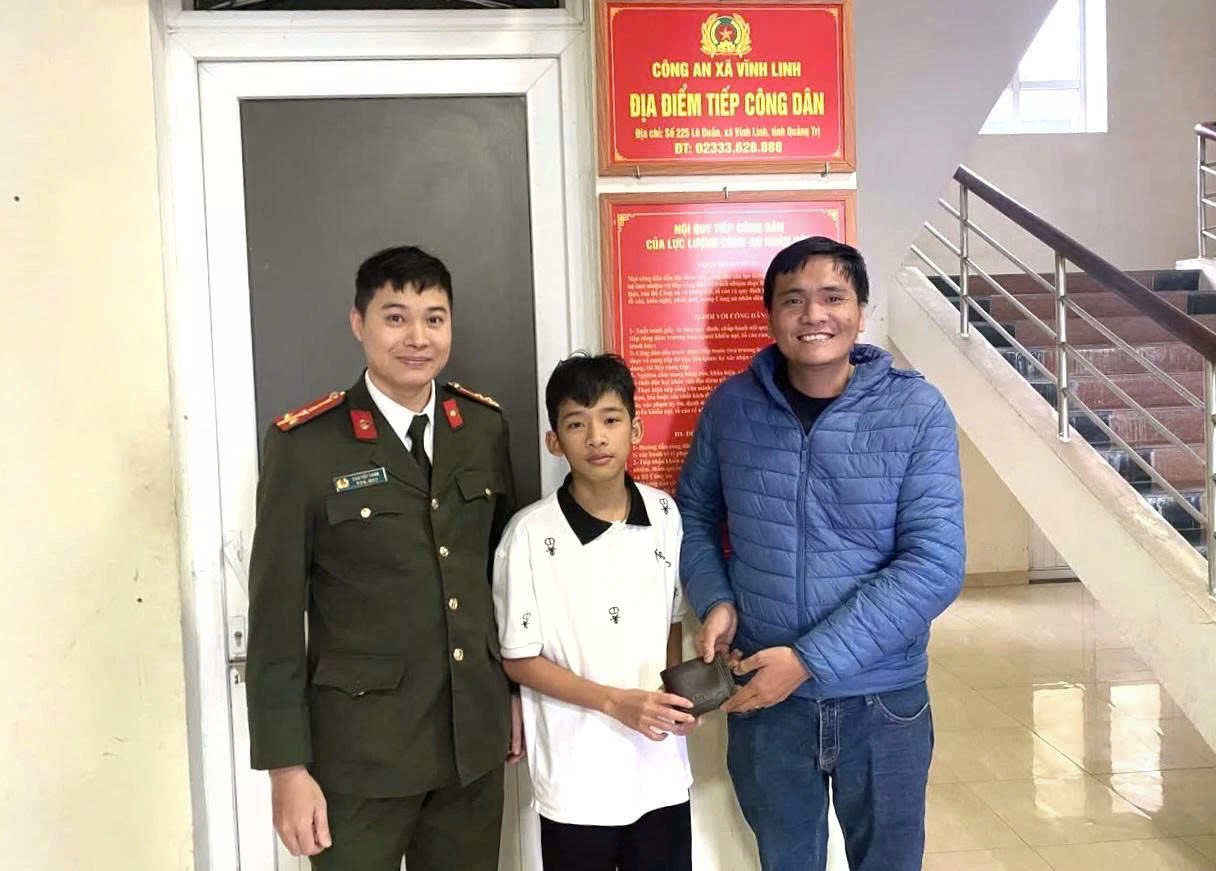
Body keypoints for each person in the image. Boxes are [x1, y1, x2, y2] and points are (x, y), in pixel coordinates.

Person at [677, 237, 965, 871]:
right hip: (766, 698)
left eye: (833, 297)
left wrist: (808, 660)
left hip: (882, 700)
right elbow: (694, 515)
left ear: (861, 312)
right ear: (771, 316)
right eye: (794, 300)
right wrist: (716, 598)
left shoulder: (916, 410)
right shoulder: (731, 407)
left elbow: (936, 562)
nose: (814, 315)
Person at [245, 245, 523, 871]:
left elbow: (502, 579)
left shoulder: (482, 428)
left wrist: (511, 693)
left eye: (434, 318)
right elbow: (275, 616)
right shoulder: (306, 446)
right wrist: (286, 767)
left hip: (471, 747)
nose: (417, 338)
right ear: (358, 323)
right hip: (358, 757)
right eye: (395, 318)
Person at [493, 353, 697, 871]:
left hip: (660, 772)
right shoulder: (528, 534)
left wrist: (675, 700)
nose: (596, 438)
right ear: (554, 441)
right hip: (576, 778)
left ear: (635, 428)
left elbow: (671, 620)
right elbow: (518, 658)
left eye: (610, 419)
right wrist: (615, 702)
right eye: (576, 424)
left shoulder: (665, 513)